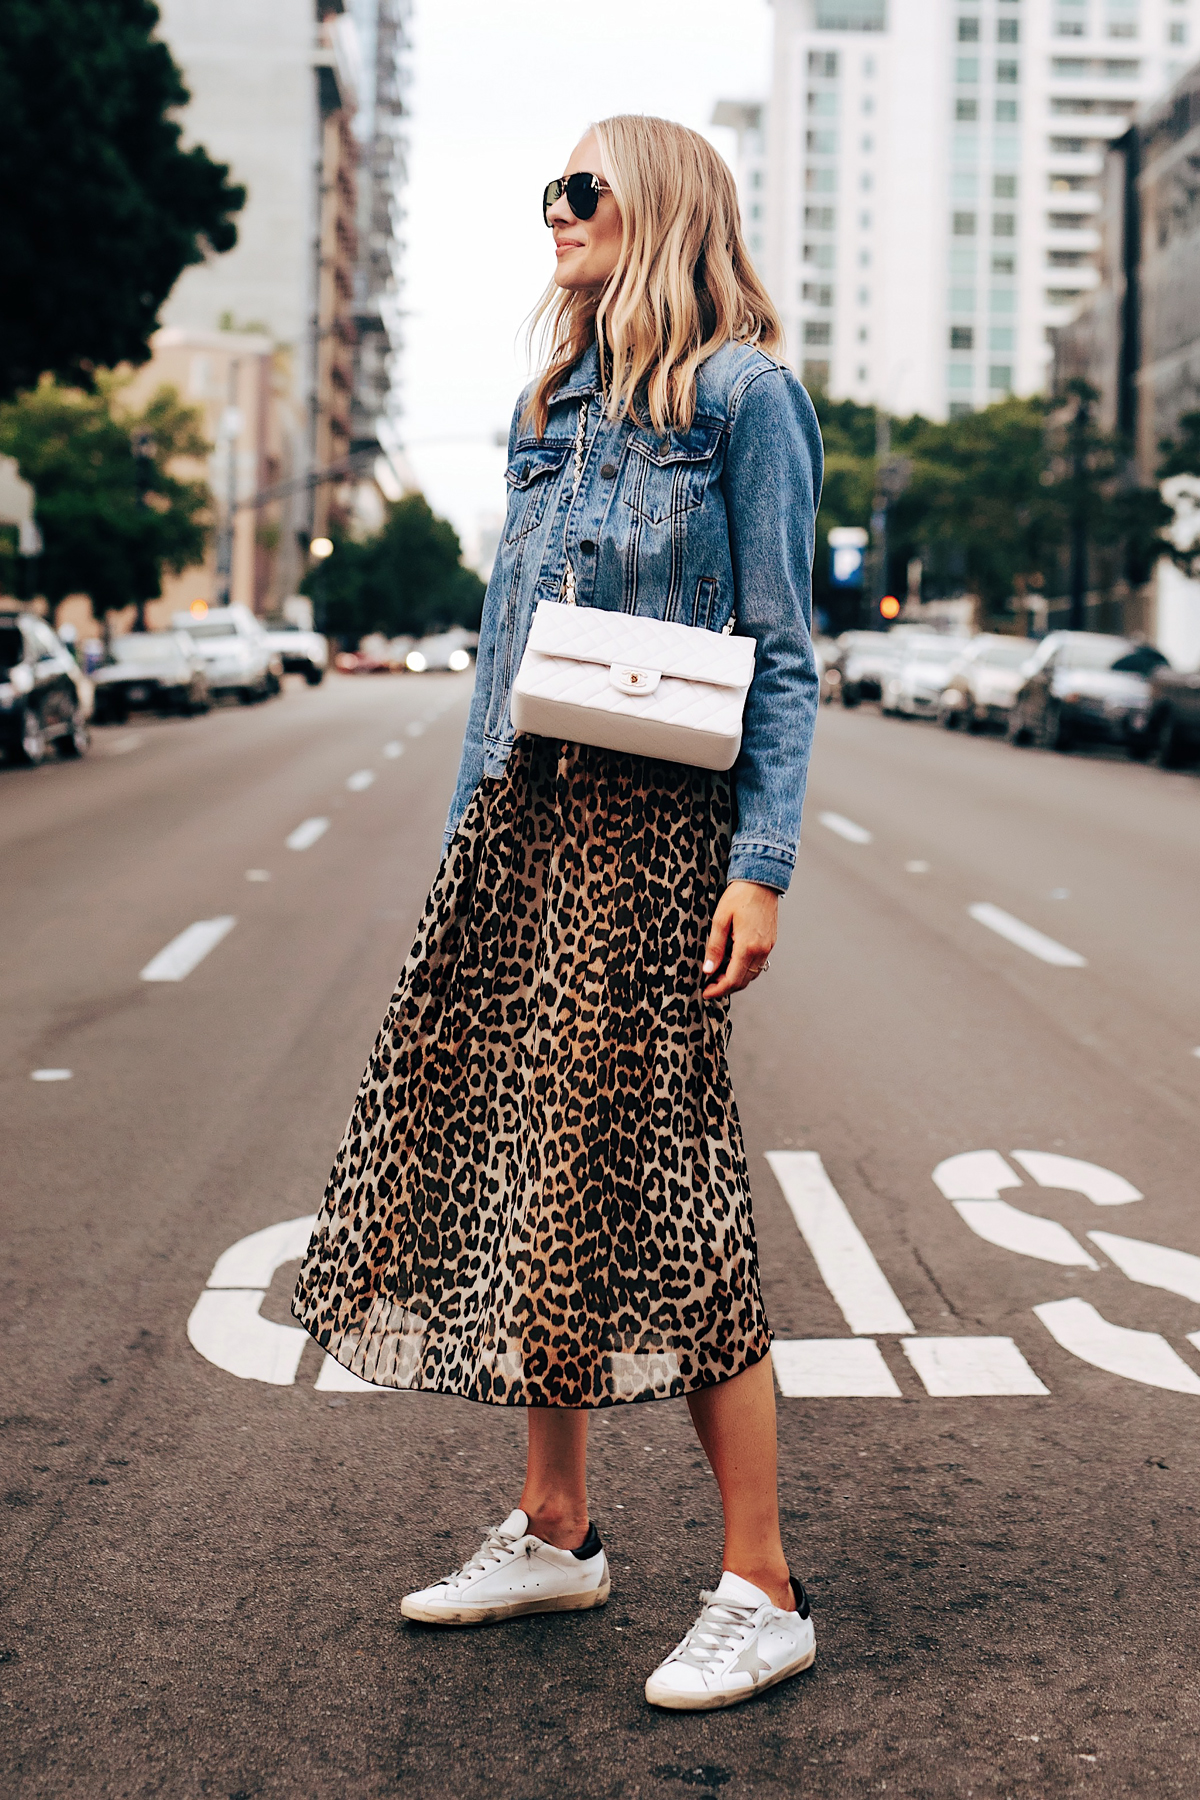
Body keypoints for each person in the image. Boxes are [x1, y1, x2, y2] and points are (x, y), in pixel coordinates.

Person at [294, 113, 823, 1712]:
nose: (557, 215)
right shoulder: (551, 407)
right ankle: (557, 1524)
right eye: (548, 191)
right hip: (525, 835)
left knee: (674, 1190)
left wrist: (762, 864)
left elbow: (785, 652)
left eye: (581, 190)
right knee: (539, 1175)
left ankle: (763, 1581)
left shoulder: (746, 400)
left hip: (660, 843)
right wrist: (468, 840)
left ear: (659, 205)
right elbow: (501, 653)